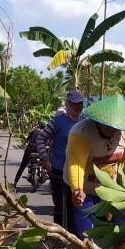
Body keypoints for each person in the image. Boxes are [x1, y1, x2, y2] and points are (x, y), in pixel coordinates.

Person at [64, 95, 125, 249]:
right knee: (84, 240)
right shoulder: (81, 132)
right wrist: (77, 190)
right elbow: (76, 164)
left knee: (120, 231)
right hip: (84, 188)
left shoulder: (123, 134)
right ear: (98, 121)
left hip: (110, 189)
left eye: (115, 127)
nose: (112, 130)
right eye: (107, 126)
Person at [34, 90, 85, 229]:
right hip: (59, 171)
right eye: (75, 104)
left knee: (78, 205)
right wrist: (44, 157)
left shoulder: (86, 122)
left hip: (79, 172)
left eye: (80, 104)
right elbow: (41, 138)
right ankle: (59, 235)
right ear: (67, 104)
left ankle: (75, 236)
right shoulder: (57, 122)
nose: (78, 107)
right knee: (61, 206)